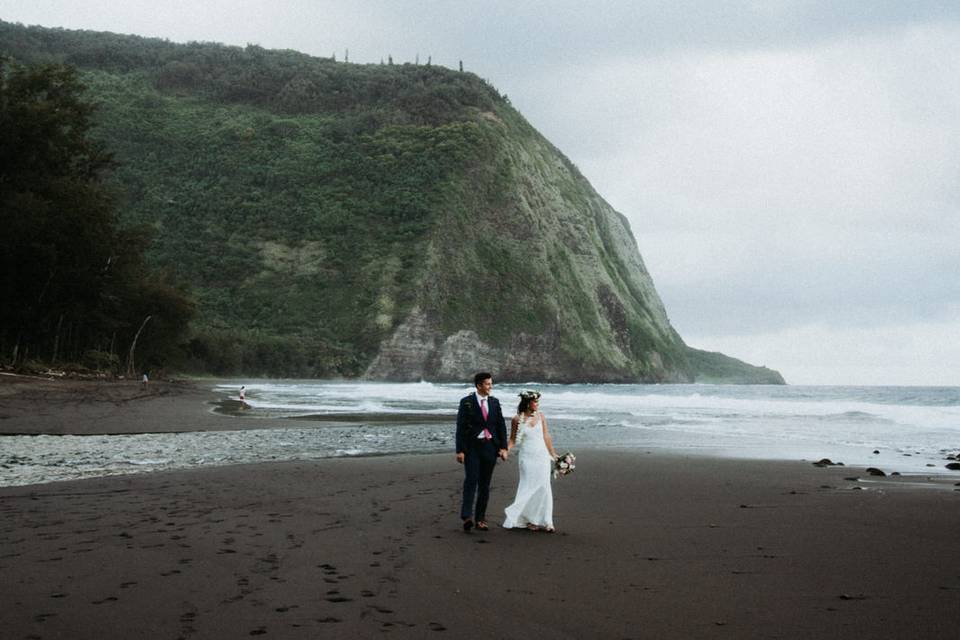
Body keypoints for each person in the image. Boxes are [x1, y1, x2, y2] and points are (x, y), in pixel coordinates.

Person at [455, 372, 508, 532]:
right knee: (471, 480)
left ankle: (480, 519)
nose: (490, 387)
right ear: (479, 385)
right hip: (472, 448)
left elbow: (501, 426)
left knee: (485, 485)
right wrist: (460, 450)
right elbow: (461, 428)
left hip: (490, 448)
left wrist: (503, 447)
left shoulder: (494, 402)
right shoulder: (466, 402)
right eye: (487, 384)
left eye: (491, 384)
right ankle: (467, 517)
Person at [503, 390, 558, 533]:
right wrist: (506, 450)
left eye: (538, 402)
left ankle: (547, 521)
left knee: (544, 486)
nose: (537, 404)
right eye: (535, 402)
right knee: (528, 486)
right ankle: (530, 520)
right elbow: (513, 440)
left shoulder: (541, 416)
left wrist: (553, 454)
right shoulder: (517, 419)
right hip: (527, 457)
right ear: (527, 403)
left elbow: (546, 436)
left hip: (542, 456)